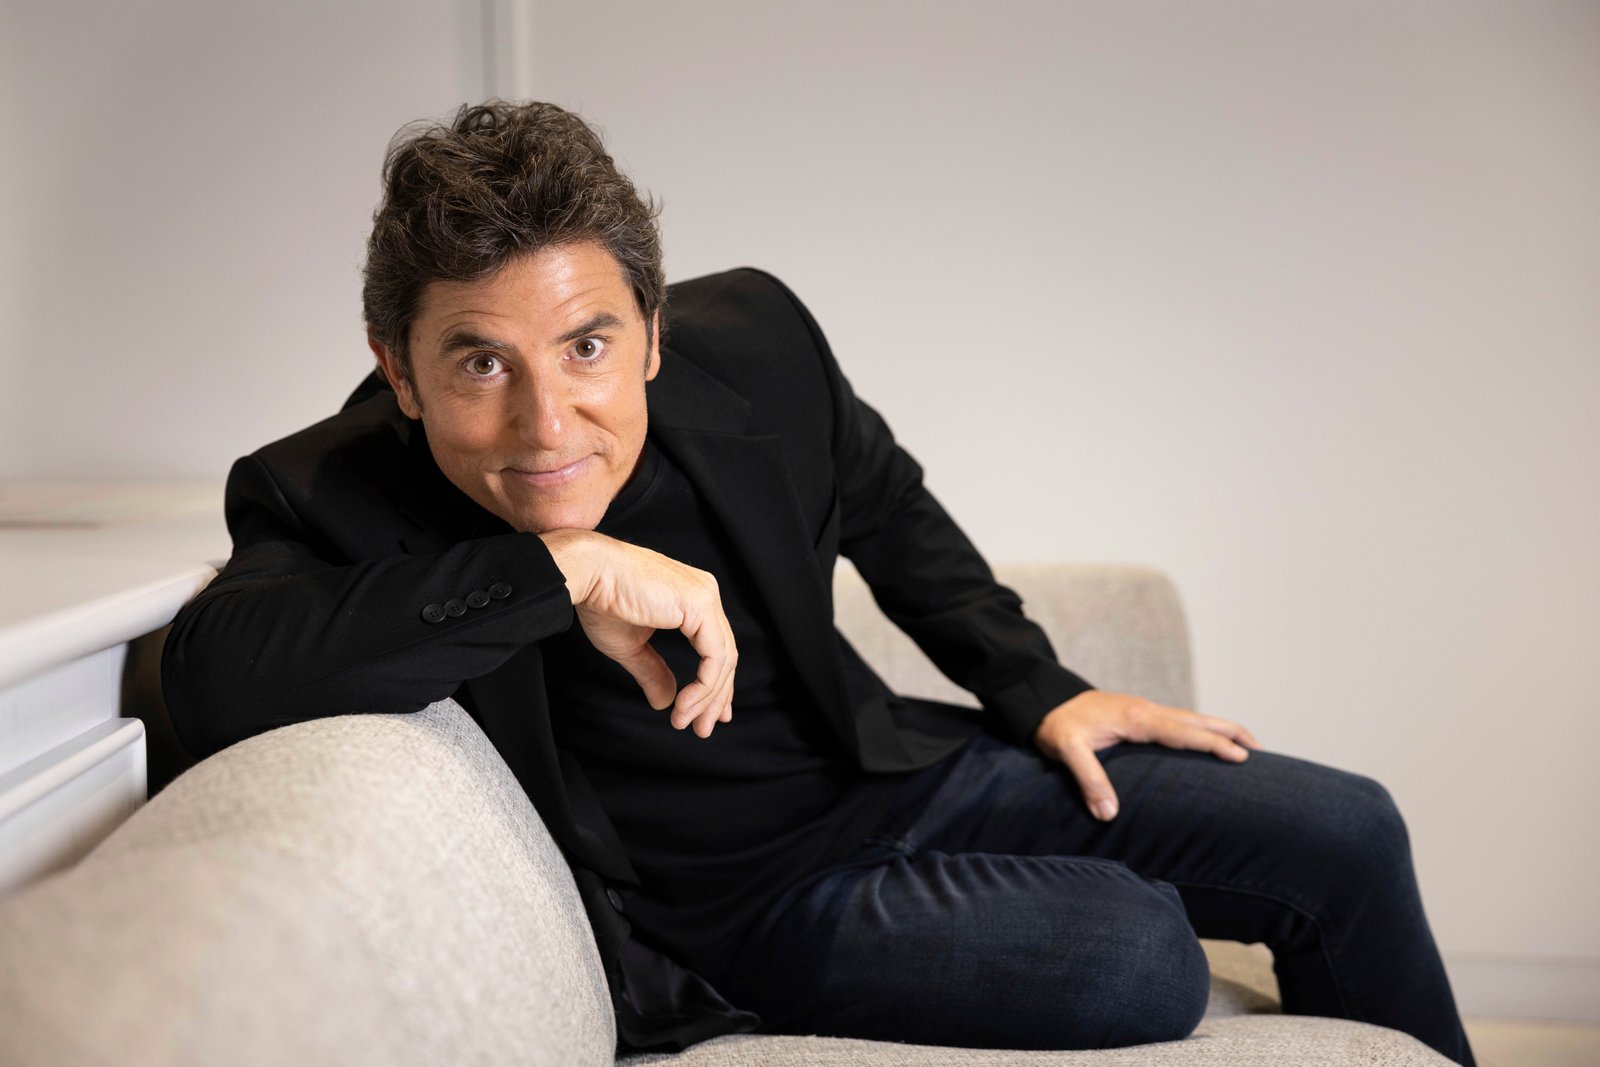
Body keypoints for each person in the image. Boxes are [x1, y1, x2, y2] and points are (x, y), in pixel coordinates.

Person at [161, 101, 1474, 1065]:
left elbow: (885, 504)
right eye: (479, 364)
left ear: (653, 333)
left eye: (588, 346)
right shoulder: (327, 489)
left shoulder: (758, 342)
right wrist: (548, 569)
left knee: (1348, 831)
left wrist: (1039, 688)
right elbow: (214, 672)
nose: (546, 424)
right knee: (1137, 958)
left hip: (895, 772)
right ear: (397, 369)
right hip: (747, 910)